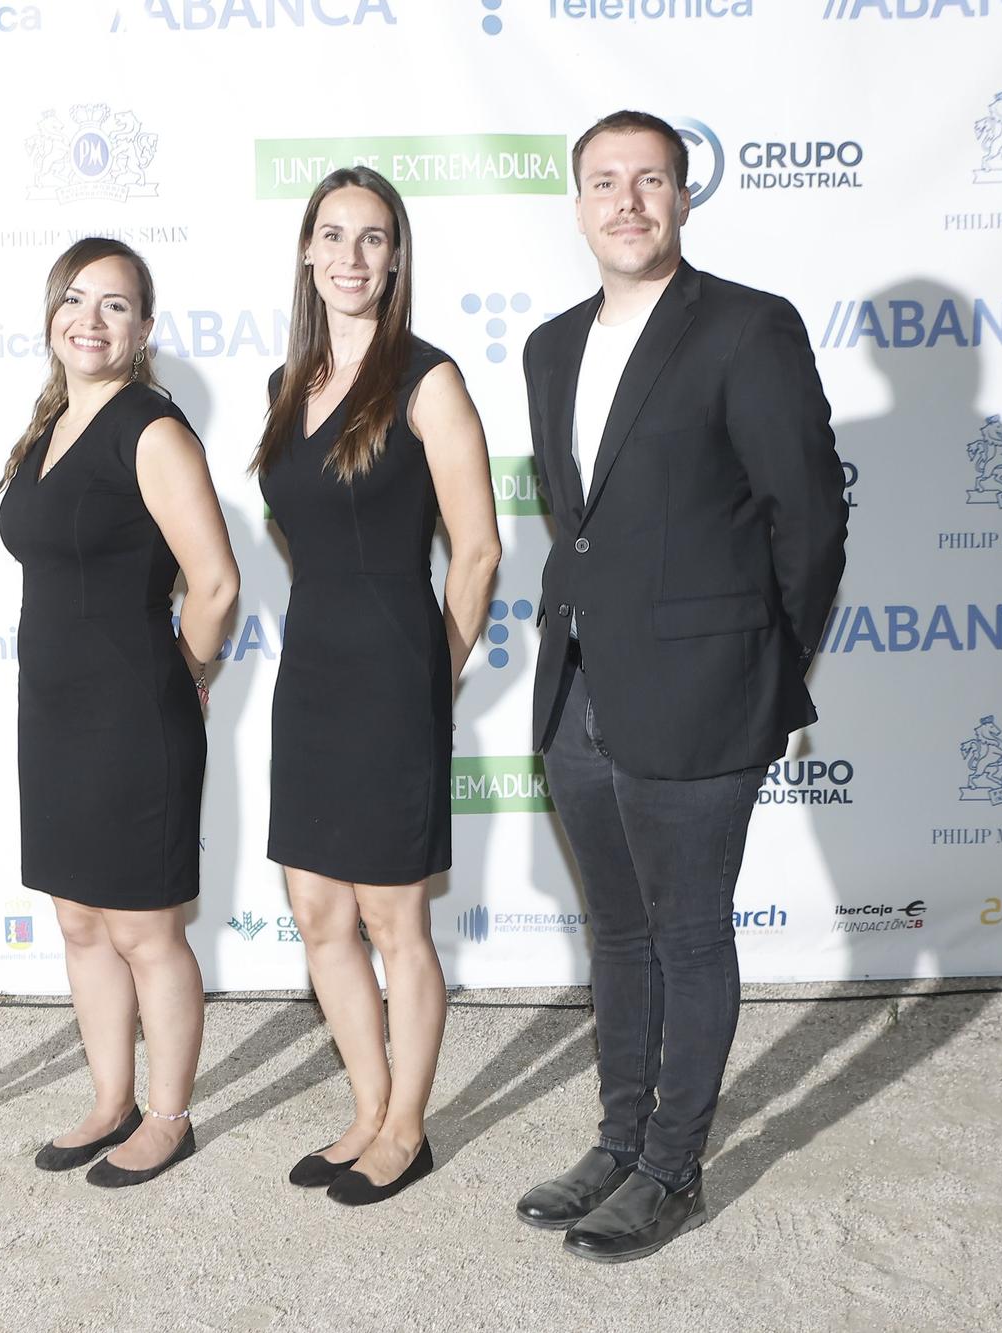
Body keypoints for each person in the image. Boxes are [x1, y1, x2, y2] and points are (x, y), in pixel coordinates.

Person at [513, 111, 847, 1261]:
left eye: (647, 179)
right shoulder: (549, 346)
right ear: (576, 203)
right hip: (577, 692)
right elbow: (580, 521)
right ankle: (616, 1143)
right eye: (603, 181)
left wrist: (765, 664)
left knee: (688, 934)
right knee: (615, 935)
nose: (625, 201)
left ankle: (670, 1168)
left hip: (705, 691)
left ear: (682, 197)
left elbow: (806, 519)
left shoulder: (747, 328)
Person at [254, 167, 501, 1206]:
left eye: (373, 238)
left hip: (394, 669)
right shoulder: (286, 383)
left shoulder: (427, 379)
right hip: (308, 667)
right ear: (307, 253)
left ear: (394, 258)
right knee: (317, 911)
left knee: (396, 920)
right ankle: (362, 1106)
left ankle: (407, 1127)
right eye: (333, 235)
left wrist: (423, 676)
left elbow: (479, 551)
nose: (351, 256)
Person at [0, 237, 240, 1188]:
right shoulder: (47, 424)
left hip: (135, 713)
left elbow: (215, 581)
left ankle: (170, 1115)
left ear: (144, 329)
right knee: (81, 922)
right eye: (77, 299)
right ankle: (110, 1099)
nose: (90, 320)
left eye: (117, 305)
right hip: (52, 715)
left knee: (145, 931)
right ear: (53, 311)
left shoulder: (153, 429)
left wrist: (186, 670)